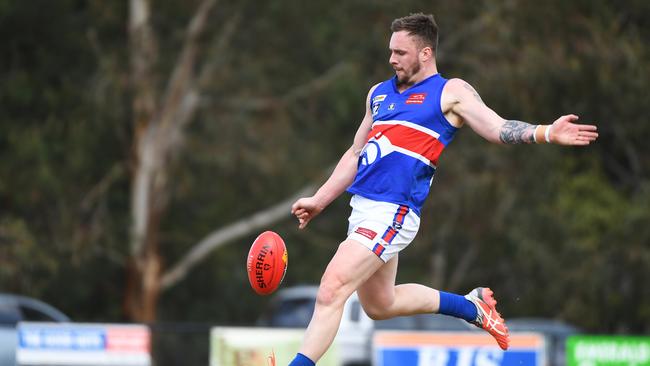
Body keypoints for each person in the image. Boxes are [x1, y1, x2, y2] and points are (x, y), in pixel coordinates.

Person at [287, 13, 598, 366]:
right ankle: (470, 306)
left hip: (394, 211)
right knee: (379, 304)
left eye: (400, 53)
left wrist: (545, 132)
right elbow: (357, 153)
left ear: (425, 53)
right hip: (363, 208)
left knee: (331, 289)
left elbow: (497, 128)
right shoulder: (378, 94)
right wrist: (319, 199)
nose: (391, 59)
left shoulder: (450, 92)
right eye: (390, 51)